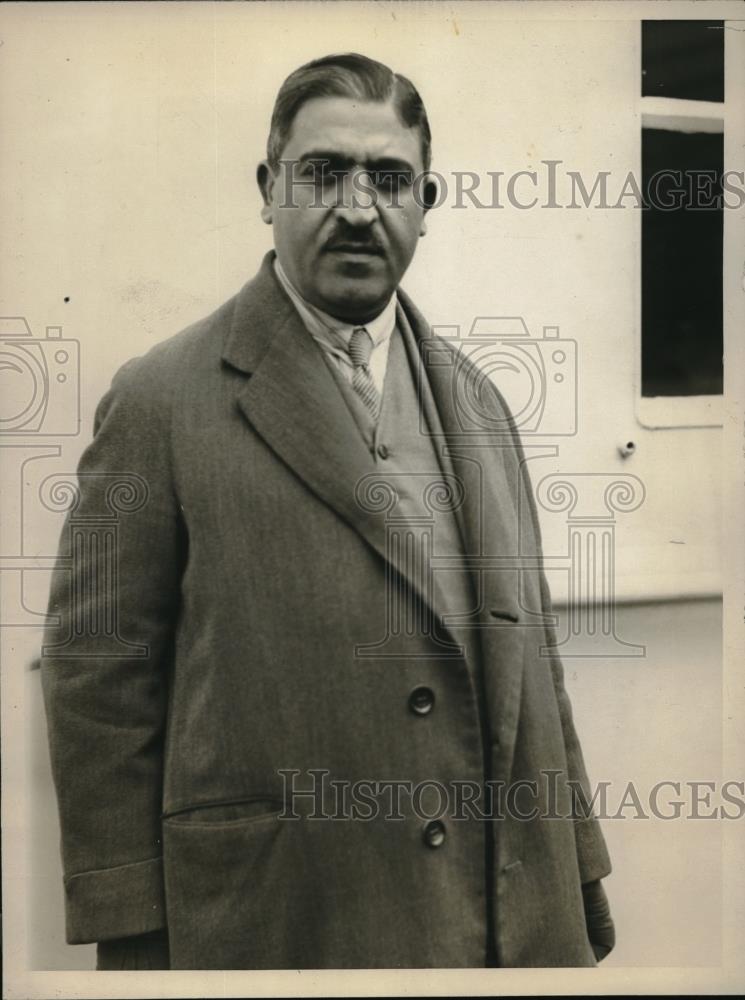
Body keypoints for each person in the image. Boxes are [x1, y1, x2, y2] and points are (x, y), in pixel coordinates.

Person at [41, 52, 615, 970]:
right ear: (268, 189)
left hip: (501, 921)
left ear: (426, 202)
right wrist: (135, 932)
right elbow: (97, 679)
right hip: (283, 921)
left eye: (388, 179)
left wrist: (577, 877)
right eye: (322, 172)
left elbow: (535, 657)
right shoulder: (160, 401)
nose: (357, 206)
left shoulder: (480, 404)